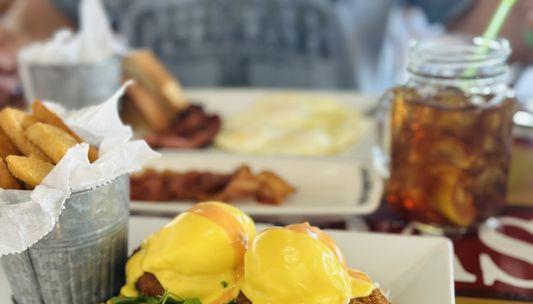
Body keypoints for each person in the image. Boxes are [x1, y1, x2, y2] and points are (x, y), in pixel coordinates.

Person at [0, 0, 531, 103]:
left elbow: (478, 26)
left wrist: (521, 25)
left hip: (351, 163)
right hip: (156, 159)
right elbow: (47, 12)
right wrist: (20, 42)